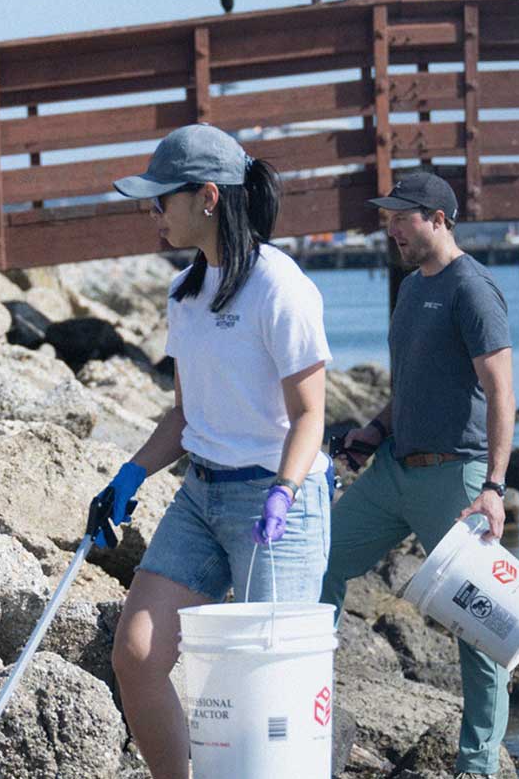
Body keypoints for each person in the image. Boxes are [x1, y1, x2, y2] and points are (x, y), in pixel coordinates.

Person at [84, 124, 333, 779]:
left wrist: (283, 492)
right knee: (137, 655)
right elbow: (186, 413)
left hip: (278, 502)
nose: (153, 212)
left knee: (267, 692)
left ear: (208, 197)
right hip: (202, 493)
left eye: (162, 197)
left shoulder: (281, 288)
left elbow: (311, 415)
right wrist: (131, 473)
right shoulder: (184, 294)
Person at [321, 170, 518, 778]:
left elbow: (502, 390)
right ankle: (310, 714)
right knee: (320, 561)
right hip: (391, 472)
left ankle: (477, 765)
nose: (392, 228)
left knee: (480, 625)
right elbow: (407, 384)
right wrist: (373, 432)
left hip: (454, 481)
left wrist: (493, 487)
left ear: (438, 218)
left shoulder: (473, 289)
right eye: (389, 217)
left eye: (402, 216)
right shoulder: (410, 290)